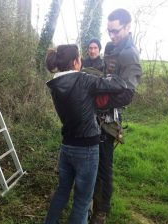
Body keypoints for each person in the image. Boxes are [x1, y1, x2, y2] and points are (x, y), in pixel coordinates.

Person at [44, 44, 127, 224]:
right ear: (75, 62)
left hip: (66, 147)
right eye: (80, 58)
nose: (81, 61)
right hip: (87, 148)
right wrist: (111, 74)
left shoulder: (54, 83)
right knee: (82, 201)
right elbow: (120, 85)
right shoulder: (84, 80)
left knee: (62, 191)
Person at [90, 8, 142, 224]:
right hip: (95, 115)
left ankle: (101, 211)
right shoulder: (111, 46)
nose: (111, 36)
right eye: (109, 31)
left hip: (109, 119)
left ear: (128, 27)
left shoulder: (130, 53)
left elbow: (128, 94)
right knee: (92, 161)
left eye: (116, 31)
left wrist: (101, 101)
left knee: (103, 166)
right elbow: (107, 77)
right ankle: (90, 201)